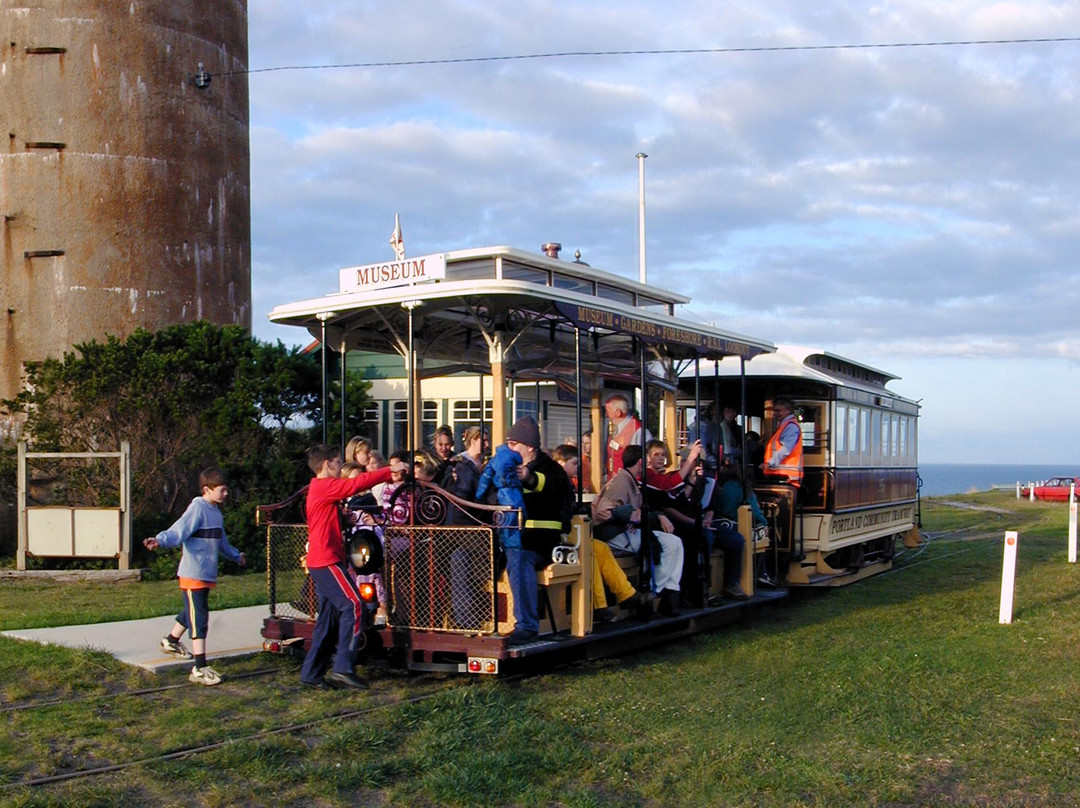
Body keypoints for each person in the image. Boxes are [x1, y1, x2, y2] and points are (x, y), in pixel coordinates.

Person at [300, 444, 404, 690]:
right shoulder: (325, 486)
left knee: (328, 618)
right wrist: (389, 471)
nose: (340, 467)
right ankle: (343, 667)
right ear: (327, 464)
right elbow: (355, 484)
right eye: (338, 463)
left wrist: (340, 519)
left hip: (324, 560)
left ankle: (311, 673)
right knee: (354, 605)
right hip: (326, 560)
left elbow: (324, 519)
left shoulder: (319, 489)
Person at [145, 467, 245, 686]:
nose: (226, 494)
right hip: (193, 574)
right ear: (207, 490)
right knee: (199, 619)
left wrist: (236, 556)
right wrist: (160, 540)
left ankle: (170, 641)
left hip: (206, 574)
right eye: (222, 490)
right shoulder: (197, 508)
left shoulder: (216, 512)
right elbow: (178, 531)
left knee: (193, 610)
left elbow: (221, 542)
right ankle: (199, 668)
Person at [554, 444, 647, 622]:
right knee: (589, 551)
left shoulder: (566, 482)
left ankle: (626, 595)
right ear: (560, 463)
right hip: (558, 538)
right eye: (574, 463)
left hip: (570, 535)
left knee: (601, 548)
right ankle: (599, 606)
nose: (579, 468)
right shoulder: (556, 482)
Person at [592, 445, 684, 615]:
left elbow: (639, 512)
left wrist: (659, 516)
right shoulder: (621, 482)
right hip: (614, 534)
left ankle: (668, 592)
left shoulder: (632, 481)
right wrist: (628, 515)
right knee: (662, 545)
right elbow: (603, 512)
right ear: (640, 461)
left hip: (627, 531)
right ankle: (651, 592)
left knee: (675, 542)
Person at [504, 415, 573, 644]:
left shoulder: (553, 470)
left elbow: (551, 485)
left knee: (519, 557)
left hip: (543, 541)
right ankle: (469, 623)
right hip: (510, 539)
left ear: (530, 446)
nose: (509, 448)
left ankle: (526, 626)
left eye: (514, 444)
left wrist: (528, 477)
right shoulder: (505, 468)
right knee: (465, 554)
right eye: (508, 444)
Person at [603, 394, 650, 477]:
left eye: (608, 411)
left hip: (628, 480)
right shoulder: (612, 429)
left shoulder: (638, 431)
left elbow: (647, 460)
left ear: (618, 412)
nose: (606, 415)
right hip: (614, 479)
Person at [761, 398, 803, 488]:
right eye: (774, 411)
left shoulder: (791, 427)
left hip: (785, 474)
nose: (775, 414)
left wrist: (770, 463)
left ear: (788, 410)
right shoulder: (784, 426)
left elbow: (786, 449)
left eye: (778, 411)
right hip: (781, 473)